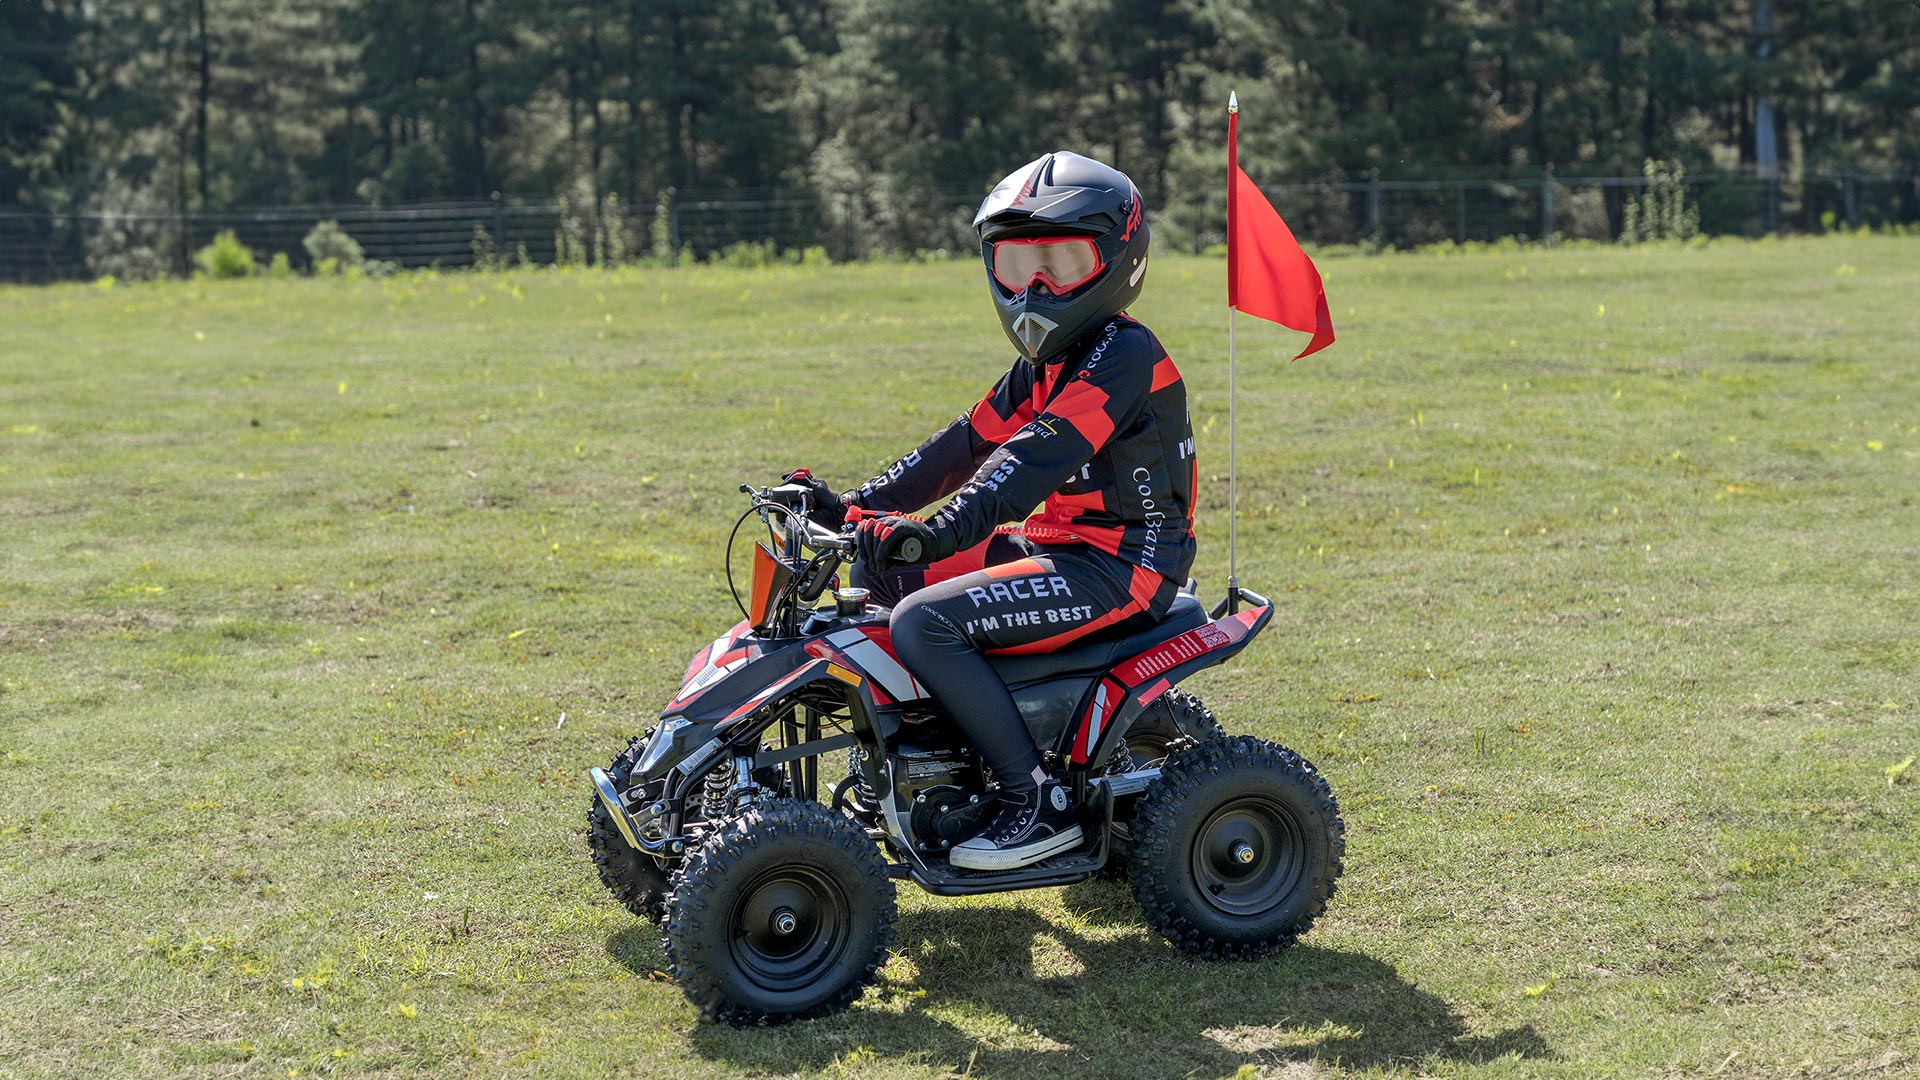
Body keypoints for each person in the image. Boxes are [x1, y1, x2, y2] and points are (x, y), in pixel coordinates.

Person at [787, 151, 1196, 871]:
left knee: (925, 620)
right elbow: (959, 448)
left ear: (1119, 259)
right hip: (1059, 549)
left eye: (1063, 263)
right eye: (1016, 266)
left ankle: (1034, 800)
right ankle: (944, 766)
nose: (1036, 285)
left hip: (1122, 568)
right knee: (882, 590)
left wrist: (934, 534)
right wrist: (850, 509)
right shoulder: (1044, 363)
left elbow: (1023, 467)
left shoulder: (1120, 354)